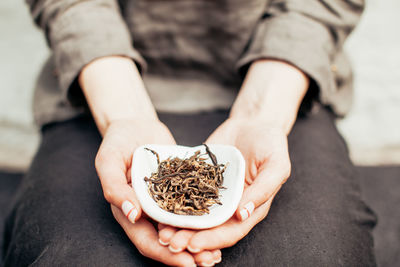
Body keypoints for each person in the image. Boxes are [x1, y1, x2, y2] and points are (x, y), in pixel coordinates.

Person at [2, 0, 377, 266]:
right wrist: (123, 113)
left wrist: (262, 114)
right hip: (102, 81)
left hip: (282, 82)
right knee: (69, 256)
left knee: (318, 255)